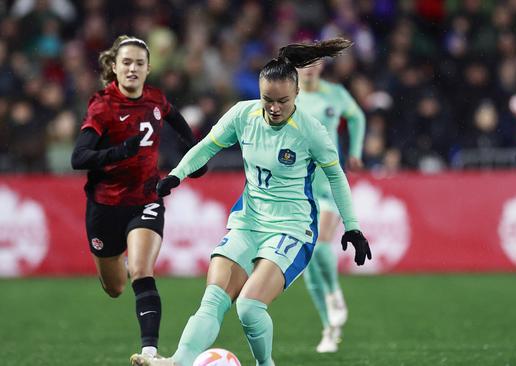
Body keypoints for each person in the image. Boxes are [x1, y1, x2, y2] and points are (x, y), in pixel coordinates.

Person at [129, 38, 372, 366]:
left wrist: (353, 227)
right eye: (267, 99)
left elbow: (337, 178)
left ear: (297, 95)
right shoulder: (243, 115)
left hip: (292, 228)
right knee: (213, 299)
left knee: (249, 307)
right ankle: (178, 362)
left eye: (282, 101)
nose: (273, 108)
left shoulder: (311, 132)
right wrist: (177, 174)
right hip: (248, 221)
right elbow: (207, 146)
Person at [71, 35, 206, 360]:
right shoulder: (102, 105)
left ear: (148, 69)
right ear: (115, 67)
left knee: (143, 270)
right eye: (127, 62)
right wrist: (119, 152)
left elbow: (178, 122)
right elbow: (79, 158)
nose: (133, 68)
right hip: (105, 206)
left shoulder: (156, 99)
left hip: (146, 198)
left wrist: (196, 154)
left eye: (139, 63)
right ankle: (115, 261)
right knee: (115, 287)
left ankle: (149, 353)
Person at [295, 58, 366, 353]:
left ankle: (335, 292)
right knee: (308, 263)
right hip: (299, 186)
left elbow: (357, 117)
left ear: (321, 66)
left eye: (313, 63)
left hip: (329, 184)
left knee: (322, 241)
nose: (308, 68)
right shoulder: (288, 97)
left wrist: (355, 151)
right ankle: (328, 327)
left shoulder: (335, 94)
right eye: (302, 64)